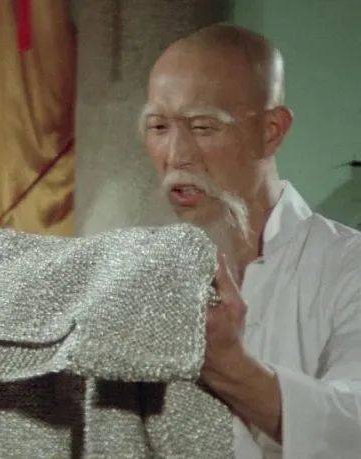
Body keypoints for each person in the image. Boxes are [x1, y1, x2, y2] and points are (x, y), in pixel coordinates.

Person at [140, 23, 361, 457]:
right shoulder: (136, 270)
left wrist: (231, 368)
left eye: (203, 127)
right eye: (159, 126)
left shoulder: (348, 266)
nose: (176, 155)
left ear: (271, 130)